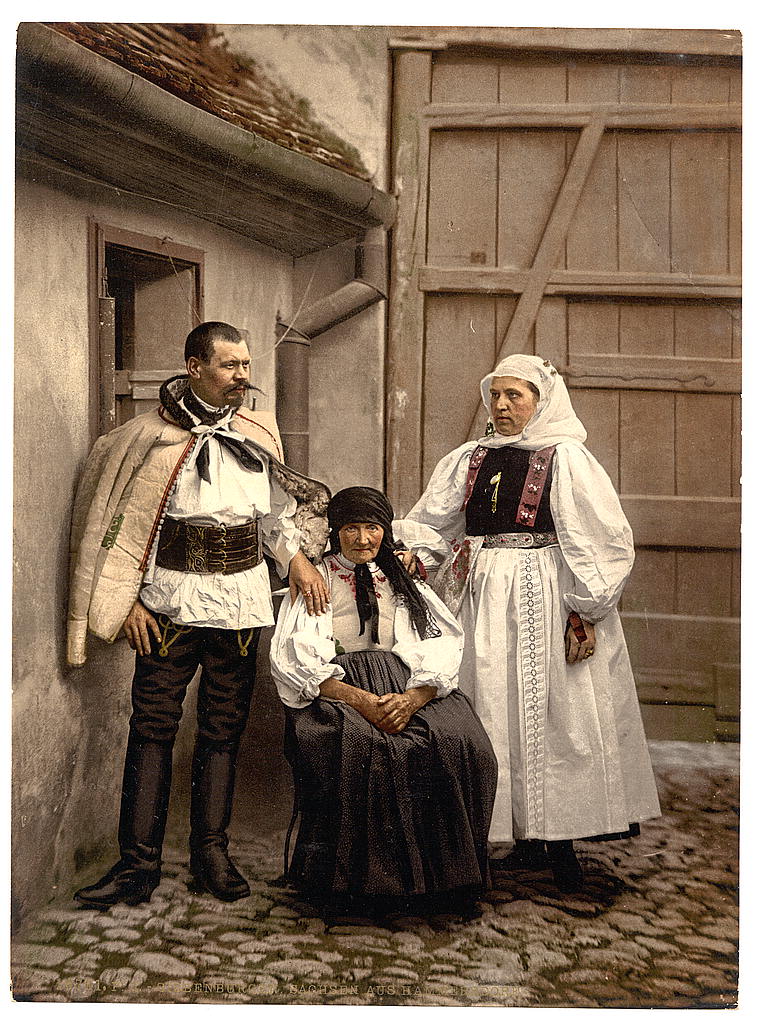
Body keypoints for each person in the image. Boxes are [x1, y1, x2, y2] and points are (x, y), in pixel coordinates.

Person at [69, 321, 331, 908]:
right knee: (152, 730)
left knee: (221, 732)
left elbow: (269, 520)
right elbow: (123, 525)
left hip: (238, 603)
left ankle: (212, 855)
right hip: (167, 603)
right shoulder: (146, 438)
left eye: (245, 365)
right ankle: (136, 866)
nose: (243, 376)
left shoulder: (258, 433)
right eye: (229, 365)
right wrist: (129, 599)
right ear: (194, 367)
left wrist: (294, 562)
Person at [394, 354, 661, 893]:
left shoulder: (567, 459)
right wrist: (412, 556)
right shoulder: (468, 459)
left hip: (545, 596)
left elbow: (602, 540)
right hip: (479, 597)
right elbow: (432, 525)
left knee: (552, 711)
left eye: (516, 396)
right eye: (496, 395)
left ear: (542, 401)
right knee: (488, 704)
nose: (502, 405)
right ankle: (503, 840)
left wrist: (584, 610)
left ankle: (559, 843)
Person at [270, 486, 498, 918]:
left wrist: (414, 698)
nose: (361, 539)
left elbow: (441, 640)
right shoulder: (316, 580)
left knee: (460, 740)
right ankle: (359, 886)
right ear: (335, 532)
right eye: (350, 528)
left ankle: (443, 882)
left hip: (405, 681)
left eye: (371, 528)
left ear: (385, 532)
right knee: (365, 746)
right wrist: (360, 700)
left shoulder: (401, 580)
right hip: (337, 688)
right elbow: (295, 656)